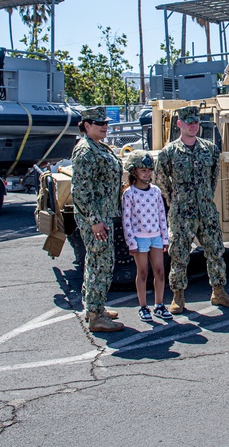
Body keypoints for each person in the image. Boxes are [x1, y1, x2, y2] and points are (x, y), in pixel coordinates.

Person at [155, 105, 229, 313]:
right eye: (189, 122)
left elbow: (213, 178)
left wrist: (205, 198)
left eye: (196, 122)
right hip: (182, 212)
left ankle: (218, 292)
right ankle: (178, 297)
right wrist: (173, 199)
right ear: (179, 124)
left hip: (206, 210)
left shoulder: (209, 149)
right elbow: (160, 178)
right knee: (179, 255)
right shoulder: (169, 152)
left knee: (216, 251)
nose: (193, 126)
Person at [71, 107, 124, 332]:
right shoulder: (86, 152)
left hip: (103, 213)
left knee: (96, 263)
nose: (104, 126)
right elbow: (80, 191)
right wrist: (94, 220)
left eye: (105, 123)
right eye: (98, 122)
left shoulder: (97, 147)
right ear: (86, 125)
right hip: (95, 217)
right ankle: (95, 316)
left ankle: (95, 306)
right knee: (100, 264)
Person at [121, 150, 173, 322]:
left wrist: (165, 239)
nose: (147, 173)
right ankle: (143, 307)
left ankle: (159, 305)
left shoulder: (156, 191)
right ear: (134, 172)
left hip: (156, 237)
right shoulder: (129, 194)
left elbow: (161, 216)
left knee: (159, 271)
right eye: (143, 170)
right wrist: (131, 242)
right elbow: (126, 219)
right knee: (142, 272)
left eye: (149, 170)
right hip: (139, 238)